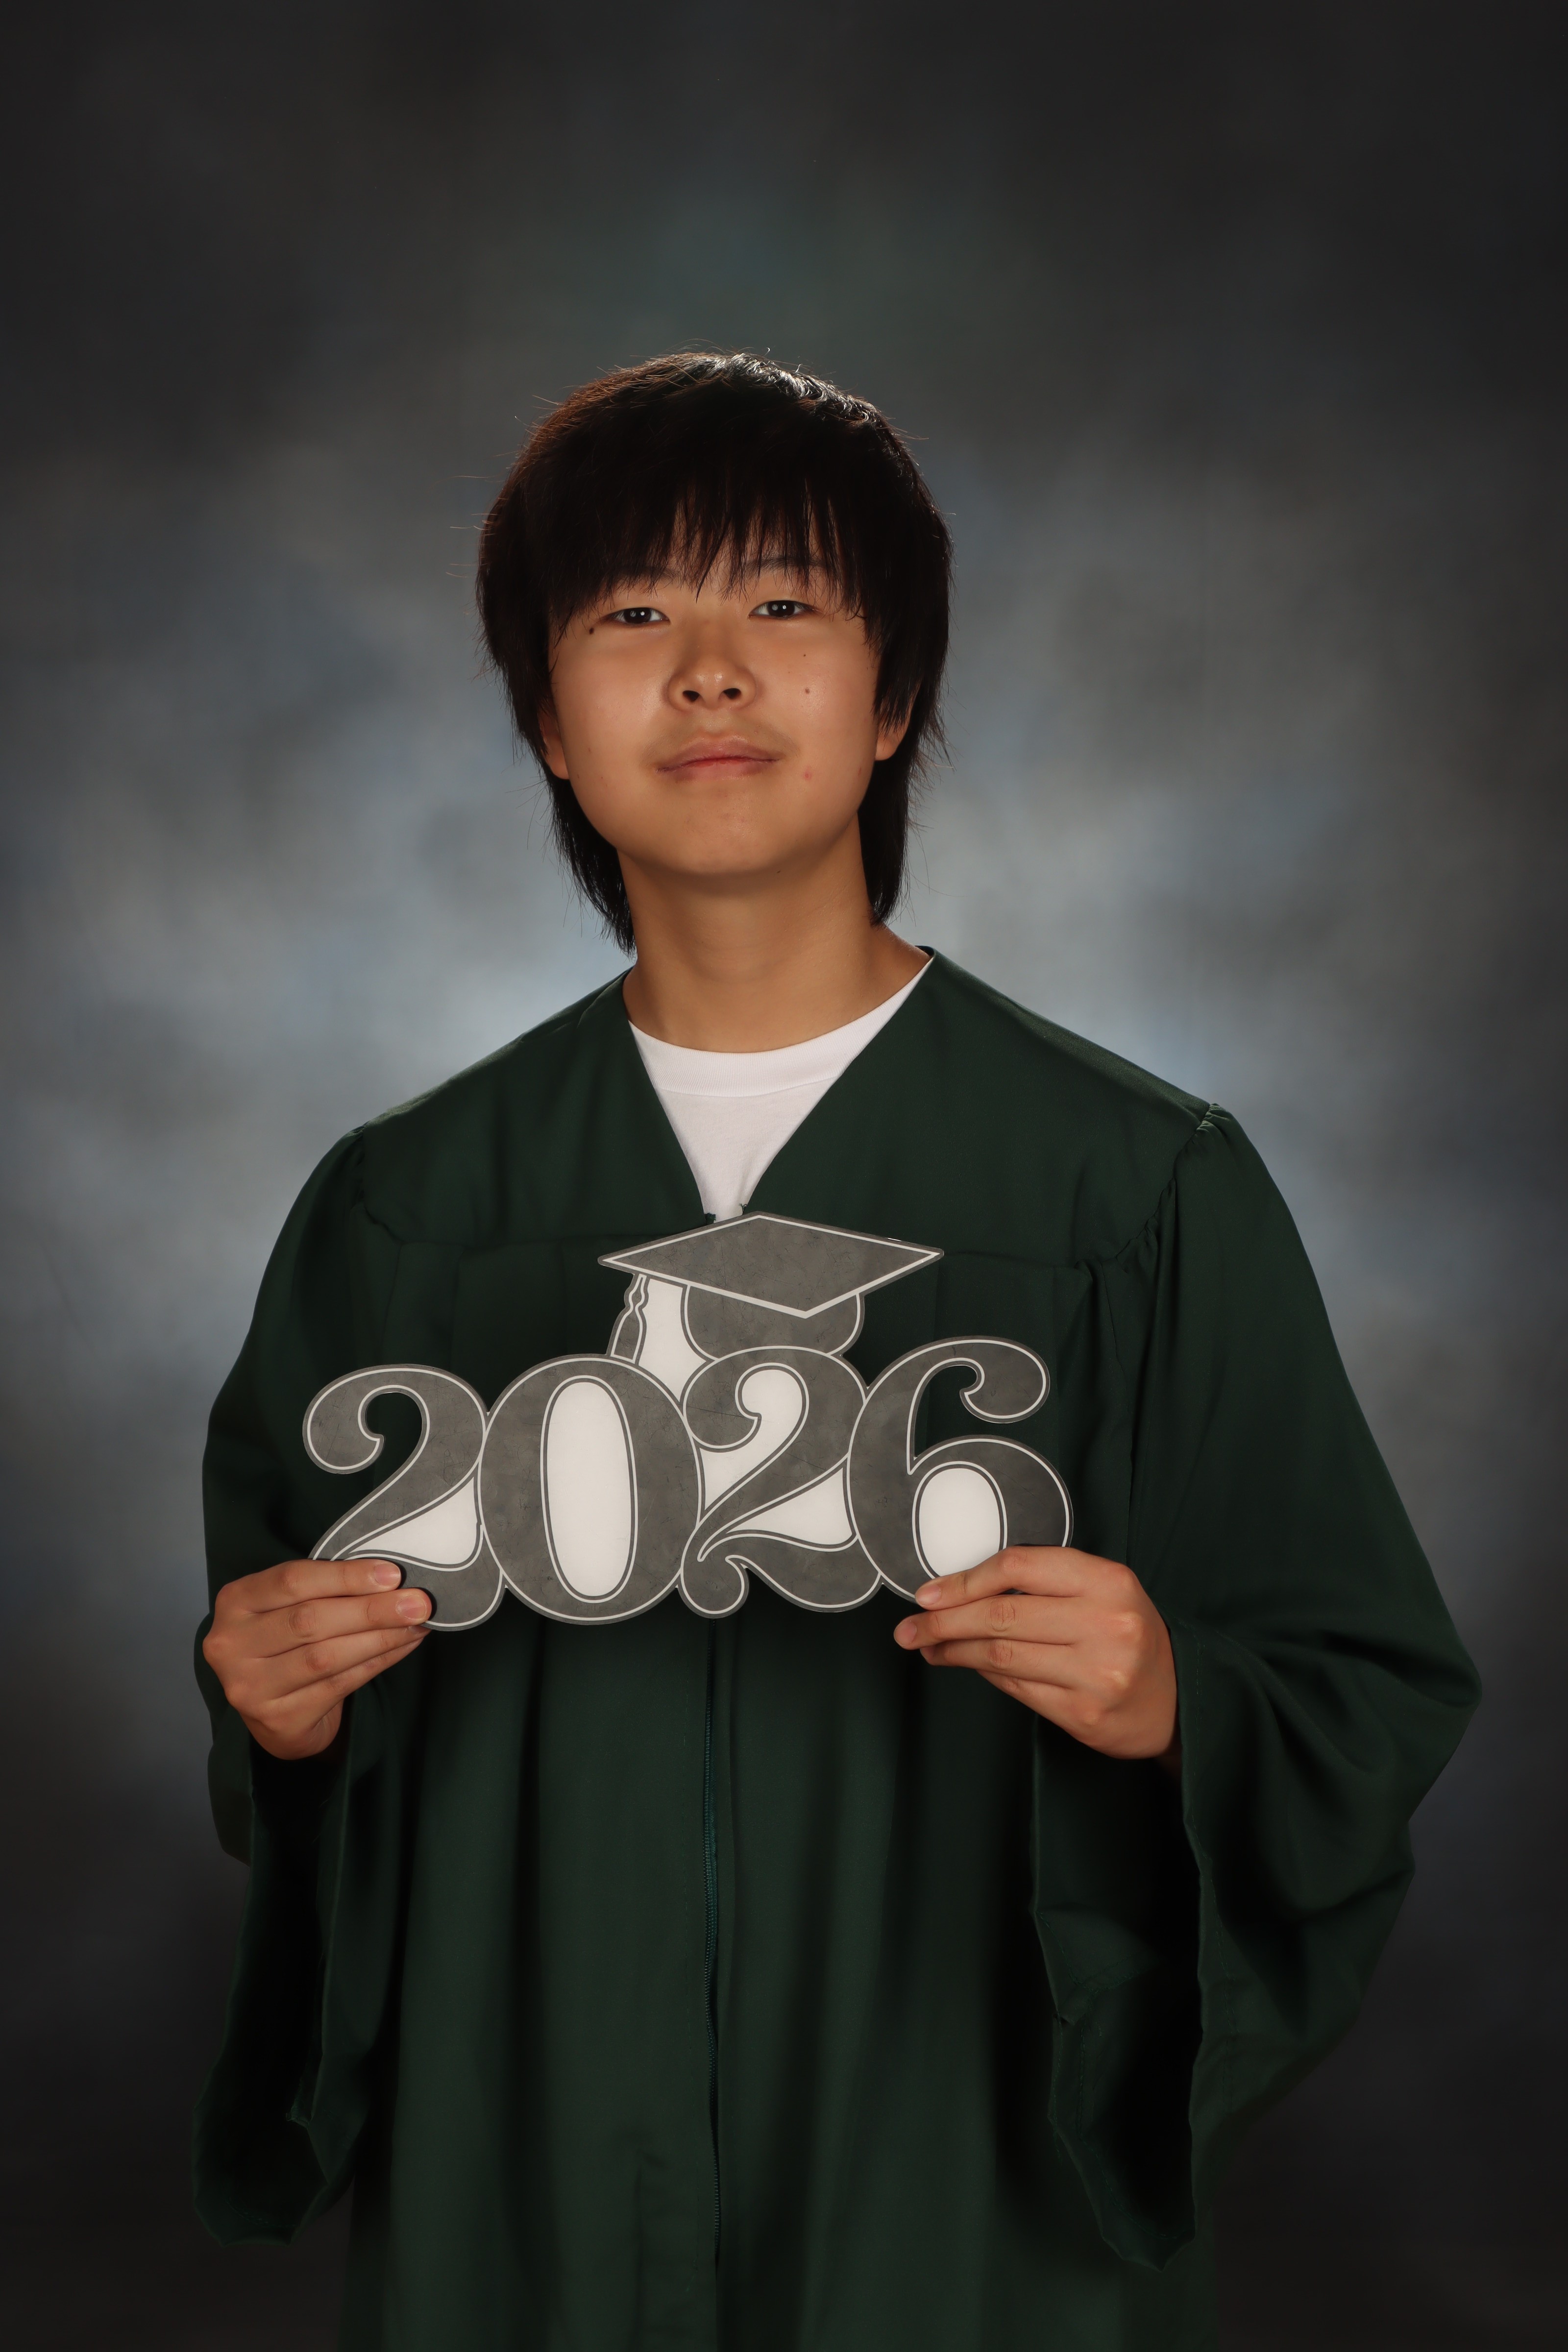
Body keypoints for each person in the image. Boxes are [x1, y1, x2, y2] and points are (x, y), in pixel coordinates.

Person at [195, 352, 1478, 2351]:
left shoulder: (1133, 1190)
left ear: (891, 702)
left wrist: (1173, 1701)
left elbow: (1357, 1685)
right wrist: (282, 1716)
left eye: (783, 603)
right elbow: (297, 1713)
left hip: (957, 2145)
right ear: (548, 723)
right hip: (534, 2125)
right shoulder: (408, 1209)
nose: (709, 672)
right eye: (633, 613)